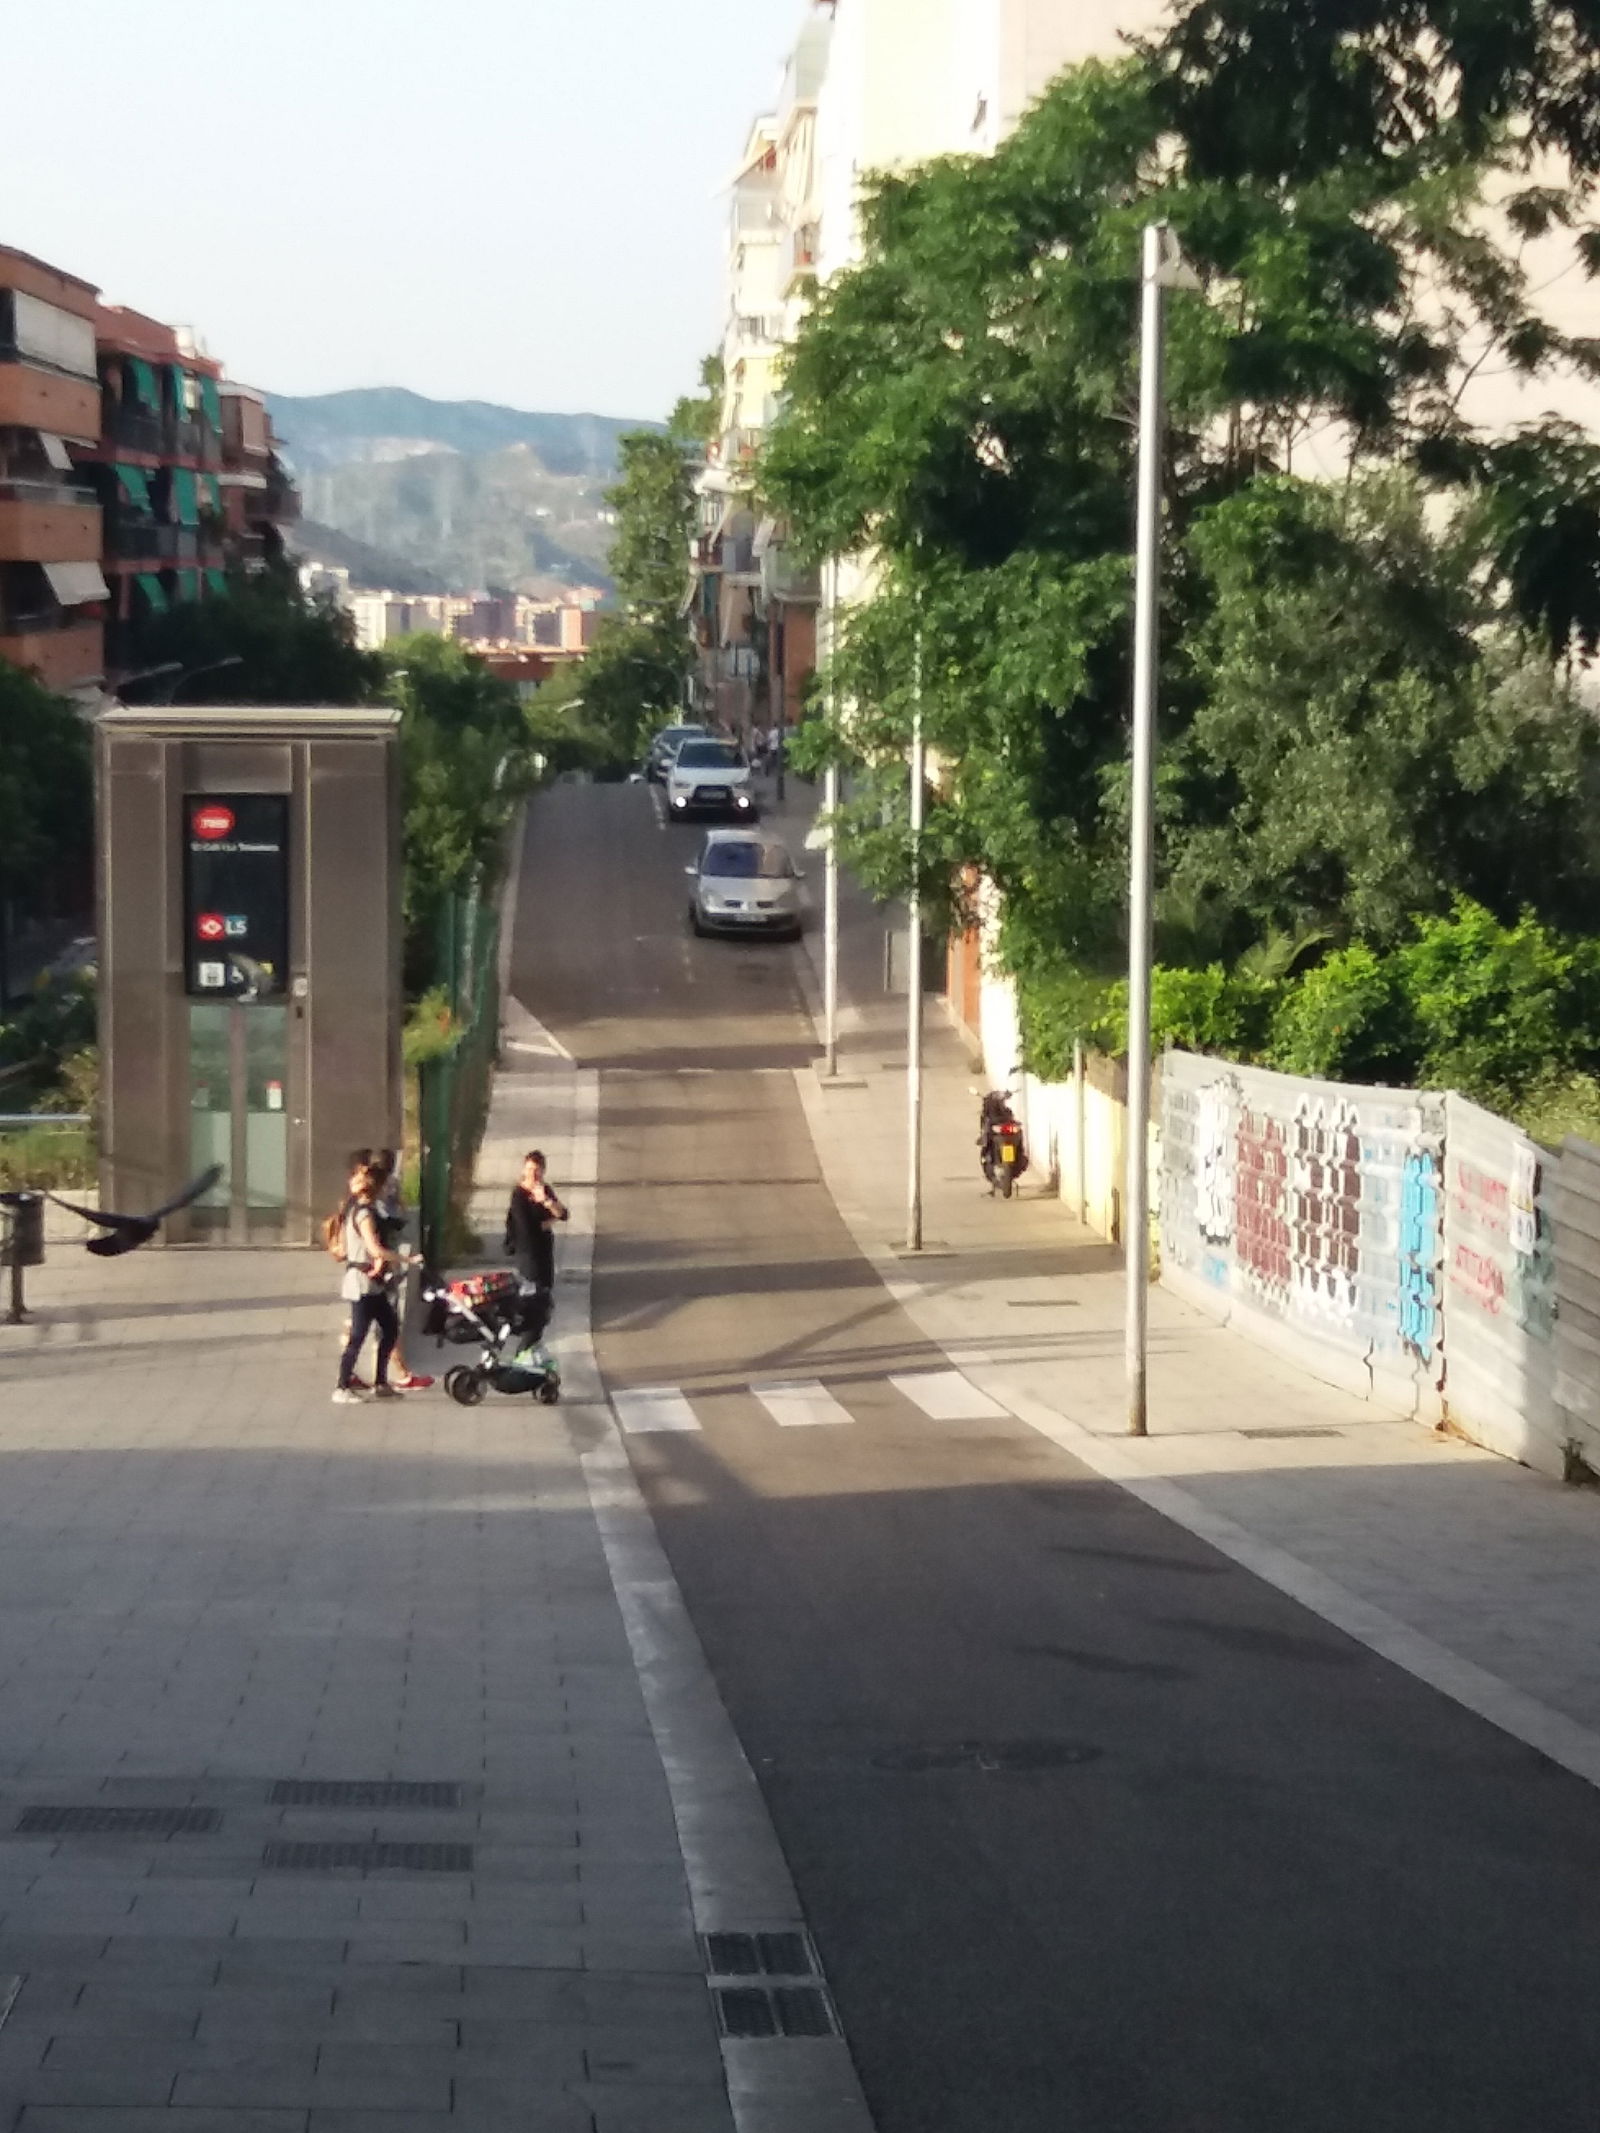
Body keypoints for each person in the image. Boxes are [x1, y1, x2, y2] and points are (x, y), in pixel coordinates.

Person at [332, 1158, 409, 1405]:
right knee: (358, 1335)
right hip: (362, 1284)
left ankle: (380, 1382)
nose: (388, 1192)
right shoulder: (364, 1214)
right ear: (377, 1189)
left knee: (390, 1328)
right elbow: (375, 1249)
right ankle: (341, 1386)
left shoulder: (359, 1208)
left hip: (372, 1285)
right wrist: (405, 1258)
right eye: (385, 1187)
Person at [366, 1150, 434, 1392]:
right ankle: (399, 1375)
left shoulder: (366, 1205)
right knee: (386, 1324)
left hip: (376, 1273)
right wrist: (404, 1259)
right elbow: (390, 1230)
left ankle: (379, 1374)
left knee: (374, 1324)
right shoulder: (374, 1208)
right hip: (381, 1272)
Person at [504, 1150, 568, 1296]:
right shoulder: (519, 1195)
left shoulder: (544, 1190)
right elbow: (527, 1228)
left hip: (544, 1249)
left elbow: (563, 1214)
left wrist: (546, 1201)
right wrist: (549, 1222)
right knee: (532, 1290)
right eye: (529, 1169)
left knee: (546, 1288)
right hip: (527, 1251)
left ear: (543, 1171)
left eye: (536, 1170)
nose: (532, 1174)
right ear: (524, 1170)